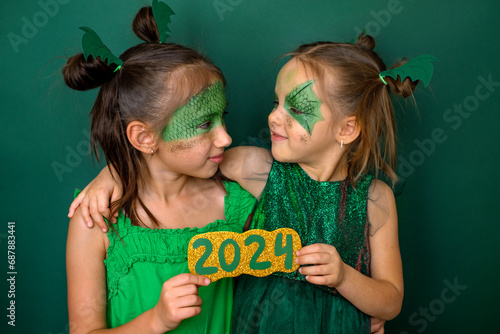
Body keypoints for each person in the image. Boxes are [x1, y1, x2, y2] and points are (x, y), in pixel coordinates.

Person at [69, 33, 427, 332]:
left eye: (297, 109)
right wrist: (112, 173)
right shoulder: (256, 169)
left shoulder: (371, 198)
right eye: (277, 102)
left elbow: (390, 299)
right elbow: (158, 160)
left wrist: (349, 285)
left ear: (347, 128)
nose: (273, 116)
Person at [64, 4, 256, 333]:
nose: (225, 136)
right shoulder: (96, 220)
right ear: (144, 137)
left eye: (222, 117)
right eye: (203, 124)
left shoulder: (237, 202)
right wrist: (156, 320)